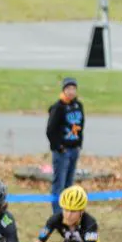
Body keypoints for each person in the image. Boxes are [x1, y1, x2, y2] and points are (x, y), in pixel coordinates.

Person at [46, 77, 85, 215]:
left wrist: (79, 143)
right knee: (59, 184)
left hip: (74, 149)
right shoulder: (58, 108)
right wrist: (58, 147)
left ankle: (69, 210)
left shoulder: (78, 106)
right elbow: (50, 130)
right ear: (64, 90)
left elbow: (81, 125)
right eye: (68, 89)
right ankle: (57, 214)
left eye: (73, 89)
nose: (71, 92)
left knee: (69, 183)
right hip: (62, 152)